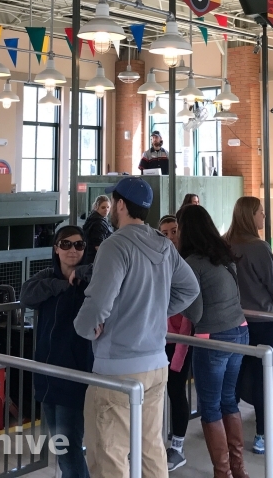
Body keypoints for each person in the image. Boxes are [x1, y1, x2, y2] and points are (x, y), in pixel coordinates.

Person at [74, 177, 200, 478]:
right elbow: (190, 288)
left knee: (108, 455)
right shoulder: (162, 244)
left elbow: (99, 301)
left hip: (118, 368)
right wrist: (154, 312)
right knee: (150, 449)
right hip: (156, 365)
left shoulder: (114, 246)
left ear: (119, 205)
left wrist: (84, 328)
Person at [179, 204, 250, 478]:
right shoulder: (225, 256)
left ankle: (223, 472)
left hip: (213, 338)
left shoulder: (192, 264)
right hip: (240, 331)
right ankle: (237, 468)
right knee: (229, 401)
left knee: (209, 406)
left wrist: (176, 301)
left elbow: (195, 312)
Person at [20, 226, 94, 478]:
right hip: (47, 373)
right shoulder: (45, 278)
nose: (72, 250)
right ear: (56, 248)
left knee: (68, 446)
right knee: (61, 443)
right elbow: (26, 296)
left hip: (76, 376)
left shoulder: (94, 281)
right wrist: (58, 285)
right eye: (66, 244)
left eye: (78, 245)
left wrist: (80, 277)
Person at [223, 197, 273, 454]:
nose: (263, 217)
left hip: (234, 321)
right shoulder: (259, 248)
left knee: (234, 378)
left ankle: (228, 432)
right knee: (263, 378)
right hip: (262, 322)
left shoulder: (224, 244)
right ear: (251, 216)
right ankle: (263, 434)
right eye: (261, 212)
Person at [158, 215, 191, 472]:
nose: (170, 237)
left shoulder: (186, 264)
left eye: (174, 231)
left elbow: (188, 316)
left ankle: (177, 446)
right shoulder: (159, 263)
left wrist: (180, 351)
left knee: (176, 390)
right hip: (160, 338)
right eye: (165, 232)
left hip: (180, 340)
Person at [82, 195, 113, 264]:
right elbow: (98, 245)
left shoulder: (93, 219)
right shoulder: (98, 222)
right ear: (97, 207)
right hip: (95, 259)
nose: (106, 210)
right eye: (103, 207)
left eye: (108, 207)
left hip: (90, 257)